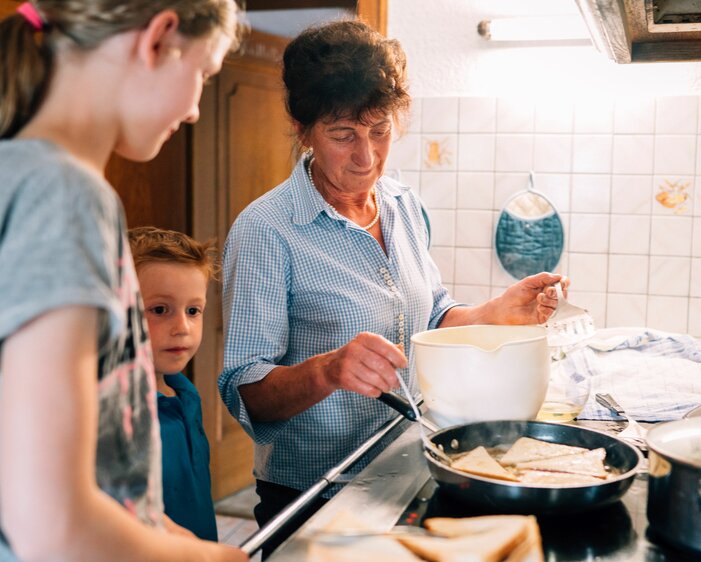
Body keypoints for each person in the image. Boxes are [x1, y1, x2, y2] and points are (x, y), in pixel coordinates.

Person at [219, 19, 565, 555]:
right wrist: (330, 369)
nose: (367, 157)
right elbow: (246, 392)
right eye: (343, 135)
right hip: (314, 489)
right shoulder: (267, 230)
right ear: (301, 128)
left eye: (380, 130)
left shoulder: (403, 206)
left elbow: (430, 317)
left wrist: (496, 311)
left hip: (403, 463)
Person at [0, 1, 246, 561]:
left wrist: (161, 532)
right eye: (204, 76)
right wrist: (209, 557)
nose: (193, 110)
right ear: (159, 39)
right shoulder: (65, 197)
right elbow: (52, 526)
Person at [129, 226, 218, 542]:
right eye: (159, 310)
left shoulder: (186, 394)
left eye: (193, 310)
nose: (182, 327)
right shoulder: (119, 413)